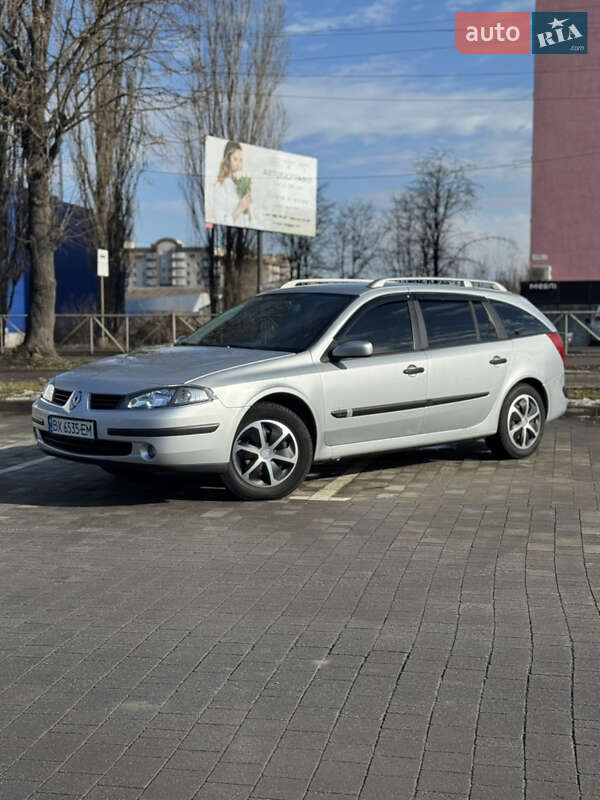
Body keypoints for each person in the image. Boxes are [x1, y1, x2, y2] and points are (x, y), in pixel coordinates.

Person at [213, 141, 253, 226]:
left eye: (241, 160)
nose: (238, 164)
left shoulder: (242, 184)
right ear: (227, 160)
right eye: (235, 159)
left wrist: (248, 210)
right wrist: (239, 208)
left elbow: (248, 220)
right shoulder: (221, 186)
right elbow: (220, 221)